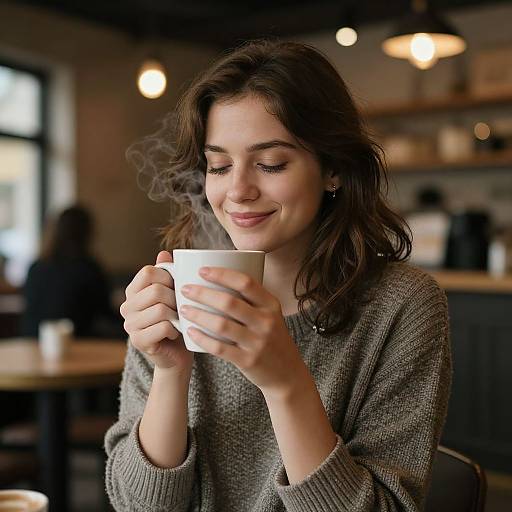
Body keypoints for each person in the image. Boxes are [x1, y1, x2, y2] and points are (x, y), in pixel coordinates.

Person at [106, 40, 451, 512]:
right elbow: (136, 506)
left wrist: (286, 383)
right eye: (219, 166)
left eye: (270, 164)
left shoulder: (401, 307)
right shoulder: (176, 290)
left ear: (333, 169)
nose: (238, 191)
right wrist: (170, 372)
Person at [21, 205, 119, 338]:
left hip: (32, 340)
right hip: (76, 341)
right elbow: (104, 311)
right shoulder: (88, 268)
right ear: (87, 232)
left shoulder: (37, 266)